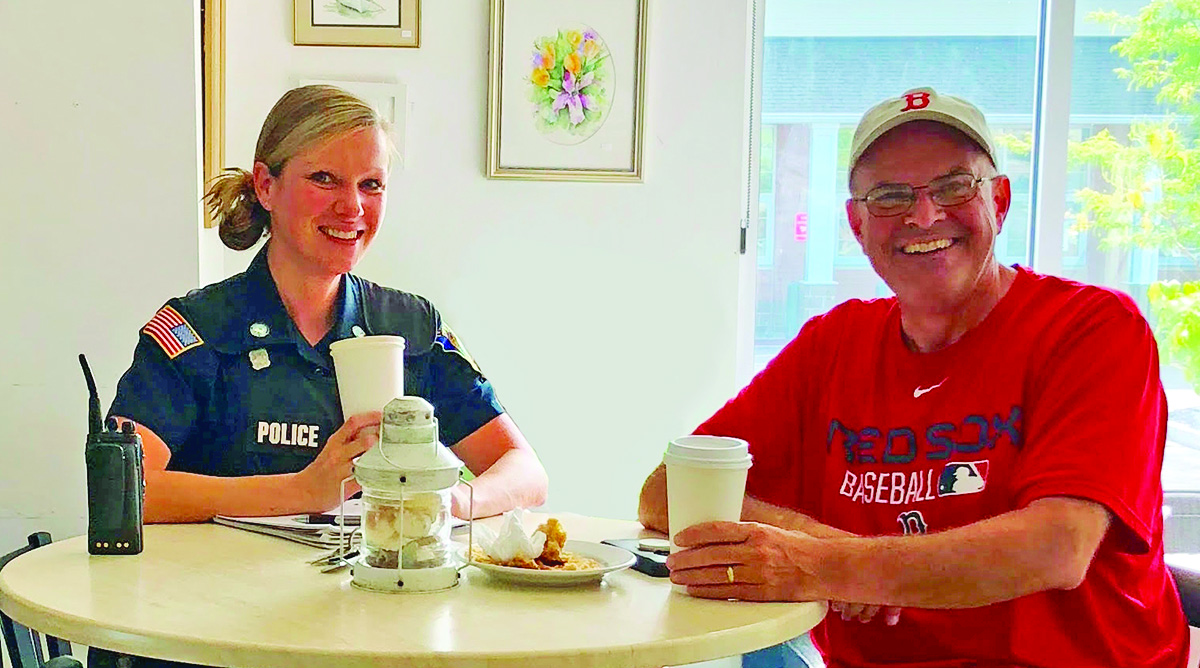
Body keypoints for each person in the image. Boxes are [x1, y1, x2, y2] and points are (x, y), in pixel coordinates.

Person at [638, 87, 1188, 667]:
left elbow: (1056, 548)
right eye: (890, 196)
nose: (924, 216)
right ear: (857, 223)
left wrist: (821, 566)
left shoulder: (1092, 329)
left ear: (999, 201)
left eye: (954, 186)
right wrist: (841, 552)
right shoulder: (833, 344)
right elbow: (665, 491)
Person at [109, 85, 548, 524]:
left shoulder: (409, 326)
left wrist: (452, 502)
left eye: (371, 184)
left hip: (379, 587)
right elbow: (123, 486)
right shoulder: (197, 328)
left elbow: (526, 472)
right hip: (223, 588)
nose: (352, 206)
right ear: (266, 186)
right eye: (324, 179)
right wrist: (302, 490)